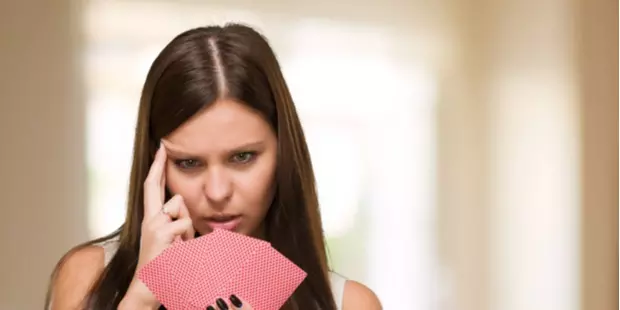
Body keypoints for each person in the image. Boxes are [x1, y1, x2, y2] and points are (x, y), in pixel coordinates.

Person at [45, 23, 382, 310]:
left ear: (284, 152)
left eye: (243, 157)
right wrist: (141, 297)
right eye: (189, 163)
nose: (218, 192)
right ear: (155, 164)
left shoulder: (349, 303)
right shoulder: (88, 276)